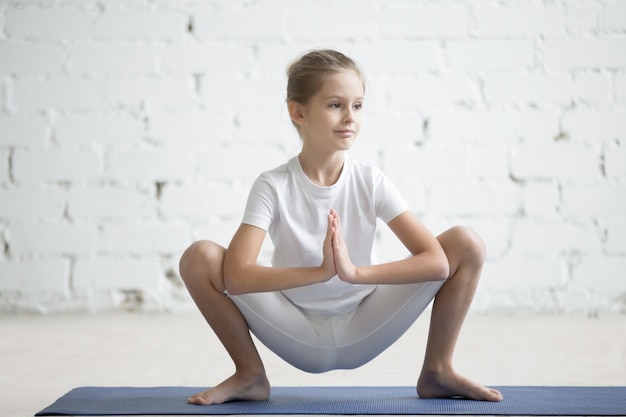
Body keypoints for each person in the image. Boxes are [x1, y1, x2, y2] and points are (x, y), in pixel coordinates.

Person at [178, 49, 503, 405]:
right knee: (200, 257)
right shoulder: (273, 185)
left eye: (358, 106)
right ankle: (250, 375)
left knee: (466, 244)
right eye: (335, 105)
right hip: (294, 328)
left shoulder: (370, 180)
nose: (350, 117)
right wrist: (319, 272)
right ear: (298, 112)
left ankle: (438, 370)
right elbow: (237, 276)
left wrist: (353, 273)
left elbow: (437, 262)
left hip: (367, 324)